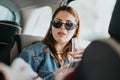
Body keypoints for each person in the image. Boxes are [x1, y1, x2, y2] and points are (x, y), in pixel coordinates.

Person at [18, 5, 83, 80]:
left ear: (75, 30)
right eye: (57, 22)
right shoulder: (32, 53)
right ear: (51, 26)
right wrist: (53, 78)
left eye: (69, 24)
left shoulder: (75, 58)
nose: (62, 27)